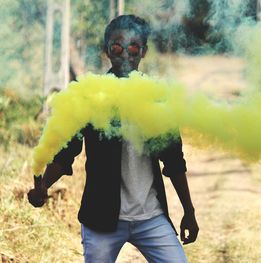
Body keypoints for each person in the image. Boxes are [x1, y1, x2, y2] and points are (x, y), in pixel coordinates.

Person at [27, 15, 199, 263]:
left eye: (133, 47)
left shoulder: (157, 98)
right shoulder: (91, 96)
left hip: (151, 217)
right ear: (107, 50)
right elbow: (67, 154)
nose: (125, 54)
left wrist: (189, 212)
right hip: (101, 219)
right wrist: (43, 186)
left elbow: (174, 160)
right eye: (117, 47)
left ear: (144, 51)